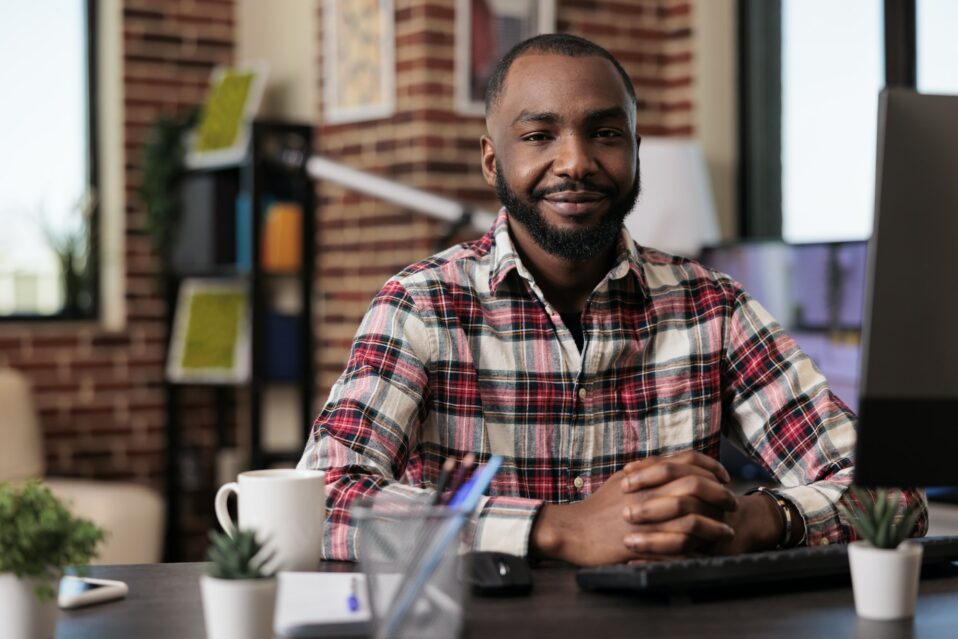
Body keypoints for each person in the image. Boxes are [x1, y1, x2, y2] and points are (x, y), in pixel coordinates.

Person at [298, 34, 927, 566]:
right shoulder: (421, 306)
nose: (575, 162)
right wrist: (554, 527)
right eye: (540, 136)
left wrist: (760, 518)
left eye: (604, 133)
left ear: (633, 150)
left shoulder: (713, 308)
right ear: (492, 162)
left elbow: (893, 494)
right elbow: (322, 500)